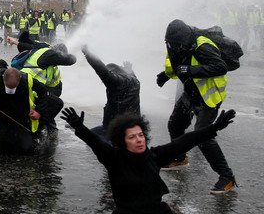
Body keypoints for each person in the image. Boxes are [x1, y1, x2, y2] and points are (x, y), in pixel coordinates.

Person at [61, 107, 237, 212]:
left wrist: (214, 127)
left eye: (140, 135)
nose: (139, 139)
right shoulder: (113, 158)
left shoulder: (154, 156)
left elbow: (185, 141)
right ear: (122, 142)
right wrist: (79, 127)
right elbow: (95, 142)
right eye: (132, 137)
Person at [156, 19, 236, 193]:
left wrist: (191, 71)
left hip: (209, 96)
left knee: (203, 135)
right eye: (170, 43)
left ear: (184, 39)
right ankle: (179, 158)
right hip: (191, 93)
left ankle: (227, 177)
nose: (173, 47)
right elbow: (178, 65)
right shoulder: (176, 44)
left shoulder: (202, 45)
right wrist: (165, 75)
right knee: (175, 123)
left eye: (176, 44)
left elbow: (220, 67)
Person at [0, 67, 47, 155]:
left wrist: (38, 111)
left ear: (19, 79)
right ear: (3, 78)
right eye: (8, 87)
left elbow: (43, 92)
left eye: (13, 87)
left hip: (19, 120)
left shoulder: (27, 79)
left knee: (27, 149)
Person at [82, 46, 140, 138]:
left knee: (89, 137)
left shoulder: (116, 83)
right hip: (134, 124)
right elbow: (131, 75)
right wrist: (129, 69)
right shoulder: (135, 81)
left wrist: (87, 53)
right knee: (90, 133)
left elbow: (100, 68)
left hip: (117, 127)